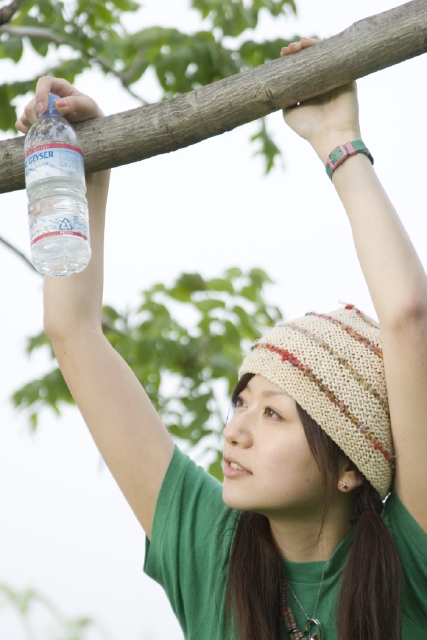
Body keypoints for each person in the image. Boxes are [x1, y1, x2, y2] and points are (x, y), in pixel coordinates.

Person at [16, 37, 427, 640]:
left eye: (274, 414)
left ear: (348, 466)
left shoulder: (407, 561)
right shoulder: (209, 549)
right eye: (242, 402)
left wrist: (338, 140)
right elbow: (71, 330)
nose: (234, 430)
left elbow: (409, 316)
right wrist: (84, 170)